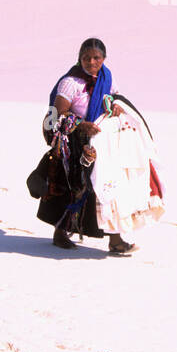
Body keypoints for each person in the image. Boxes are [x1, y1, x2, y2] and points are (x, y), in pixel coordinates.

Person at [43, 38, 134, 253]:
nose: (91, 62)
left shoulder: (107, 79)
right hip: (74, 141)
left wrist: (115, 109)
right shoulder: (71, 83)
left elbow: (112, 101)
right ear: (79, 58)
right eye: (86, 57)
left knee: (108, 185)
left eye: (96, 58)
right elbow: (57, 115)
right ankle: (61, 232)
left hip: (101, 141)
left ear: (104, 59)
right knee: (76, 186)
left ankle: (115, 239)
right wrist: (81, 126)